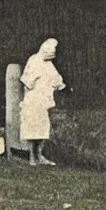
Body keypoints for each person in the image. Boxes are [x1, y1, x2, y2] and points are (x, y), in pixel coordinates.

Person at [20, 38, 66, 166]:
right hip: (33, 100)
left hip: (43, 102)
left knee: (42, 128)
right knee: (31, 128)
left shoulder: (49, 65)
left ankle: (39, 155)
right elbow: (27, 81)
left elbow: (57, 80)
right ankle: (32, 157)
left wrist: (60, 86)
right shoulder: (34, 60)